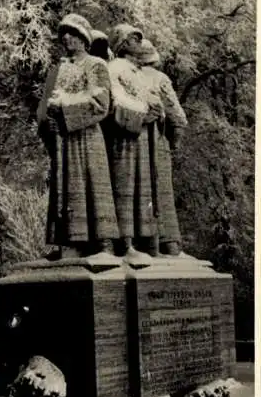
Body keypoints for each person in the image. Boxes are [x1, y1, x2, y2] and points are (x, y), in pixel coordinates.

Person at [37, 14, 119, 259]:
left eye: (72, 33)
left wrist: (65, 107)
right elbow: (48, 103)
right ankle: (71, 241)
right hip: (64, 139)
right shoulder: (61, 68)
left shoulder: (96, 65)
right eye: (64, 34)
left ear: (84, 38)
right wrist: (51, 119)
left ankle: (103, 242)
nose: (66, 38)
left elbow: (101, 103)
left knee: (93, 185)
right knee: (68, 188)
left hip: (87, 136)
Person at [107, 24, 164, 264]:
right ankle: (126, 241)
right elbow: (115, 102)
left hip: (143, 138)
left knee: (144, 190)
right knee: (125, 187)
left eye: (138, 39)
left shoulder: (139, 73)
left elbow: (152, 101)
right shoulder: (115, 68)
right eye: (133, 39)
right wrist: (143, 114)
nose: (138, 43)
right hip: (124, 137)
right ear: (122, 43)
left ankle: (145, 240)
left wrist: (157, 111)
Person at [138, 39, 188, 256]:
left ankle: (147, 242)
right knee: (163, 194)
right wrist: (173, 143)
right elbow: (178, 118)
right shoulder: (160, 79)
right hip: (159, 144)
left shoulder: (128, 77)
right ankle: (170, 243)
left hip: (131, 146)